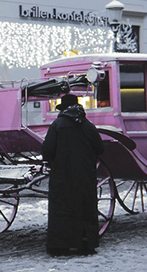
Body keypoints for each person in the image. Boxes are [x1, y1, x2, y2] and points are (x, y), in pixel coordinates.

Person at [41, 93, 104, 257]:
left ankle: (60, 246)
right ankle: (86, 244)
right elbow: (100, 148)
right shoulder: (87, 125)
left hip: (62, 176)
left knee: (62, 209)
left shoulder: (58, 125)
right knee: (86, 208)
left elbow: (47, 151)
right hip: (85, 176)